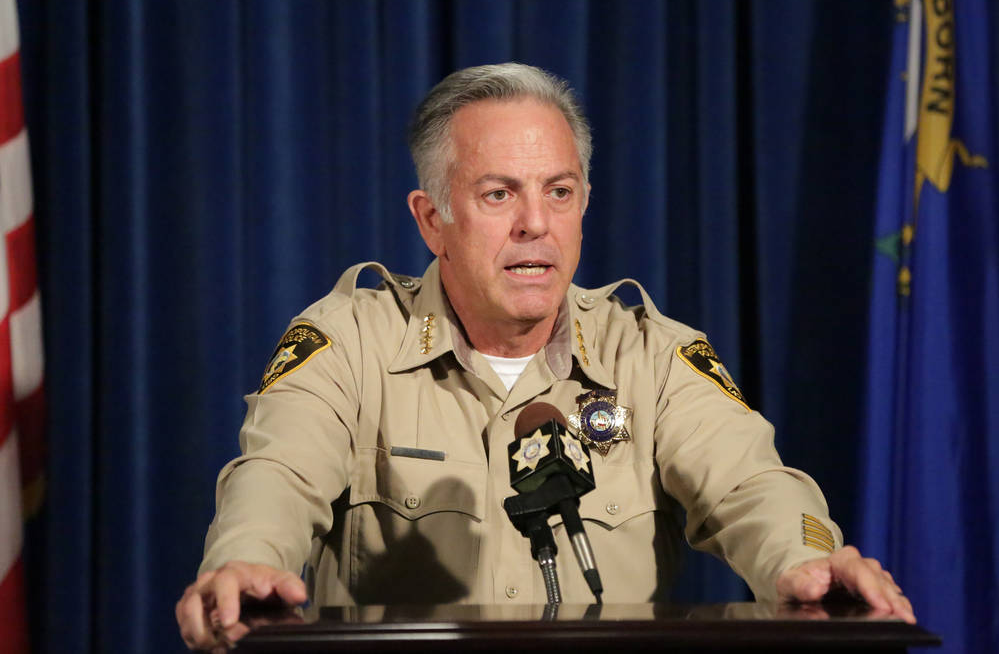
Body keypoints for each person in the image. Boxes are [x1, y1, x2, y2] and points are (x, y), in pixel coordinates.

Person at [176, 63, 914, 650]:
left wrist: (802, 560)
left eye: (559, 192)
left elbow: (751, 484)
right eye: (499, 194)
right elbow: (277, 476)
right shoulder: (349, 341)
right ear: (433, 219)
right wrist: (249, 560)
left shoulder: (651, 355)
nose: (536, 224)